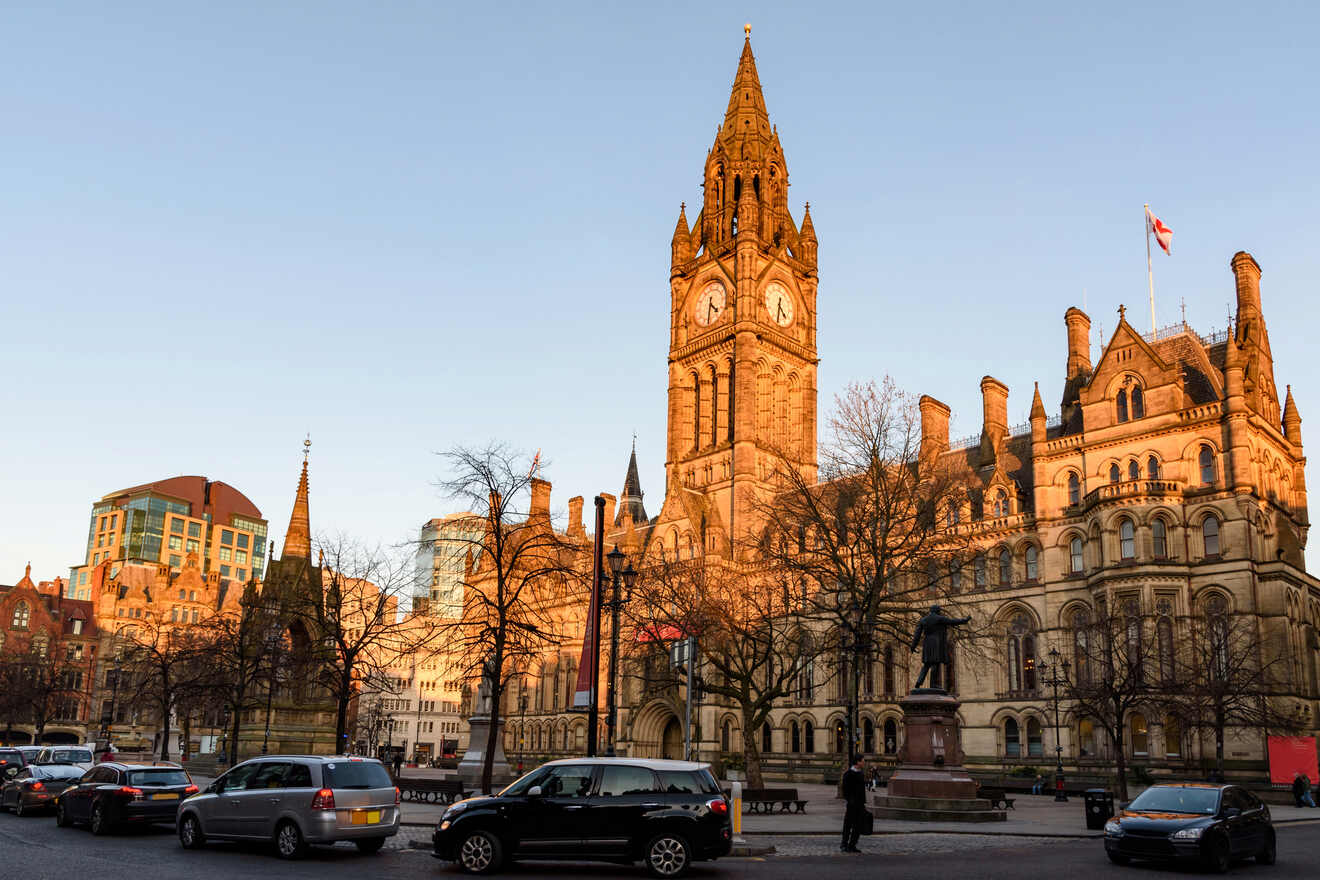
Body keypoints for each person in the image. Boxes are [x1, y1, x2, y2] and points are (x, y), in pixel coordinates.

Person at [840, 755, 867, 853]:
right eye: (863, 761)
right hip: (852, 804)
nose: (864, 762)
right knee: (848, 824)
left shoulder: (861, 773)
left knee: (858, 825)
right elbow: (845, 789)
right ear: (857, 762)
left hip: (860, 804)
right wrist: (849, 800)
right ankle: (844, 844)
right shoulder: (848, 774)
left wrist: (863, 802)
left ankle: (852, 845)